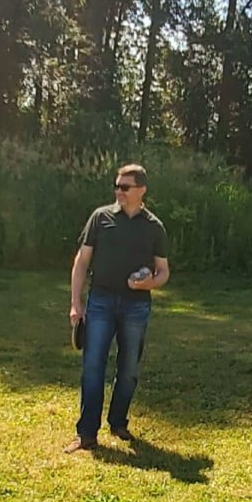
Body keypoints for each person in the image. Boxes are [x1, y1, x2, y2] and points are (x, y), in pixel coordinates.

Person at [64, 164, 170, 454]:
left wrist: (147, 285)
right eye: (117, 186)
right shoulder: (101, 218)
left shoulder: (153, 227)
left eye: (125, 187)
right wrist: (76, 303)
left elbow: (163, 272)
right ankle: (86, 435)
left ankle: (118, 422)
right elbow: (81, 262)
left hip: (136, 306)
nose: (119, 191)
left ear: (142, 190)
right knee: (92, 367)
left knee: (129, 370)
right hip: (100, 301)